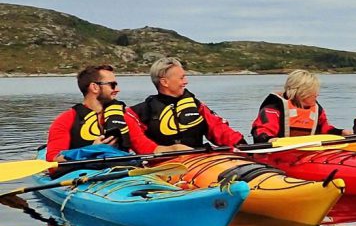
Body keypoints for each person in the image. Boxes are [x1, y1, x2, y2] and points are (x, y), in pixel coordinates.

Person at [45, 64, 181, 161]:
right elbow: (54, 159)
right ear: (94, 87)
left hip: (117, 173)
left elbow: (148, 149)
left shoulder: (123, 118)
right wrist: (91, 150)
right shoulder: (66, 120)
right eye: (112, 85)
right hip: (82, 176)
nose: (117, 90)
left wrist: (175, 149)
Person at [132, 57, 247, 148]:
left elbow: (219, 129)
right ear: (165, 82)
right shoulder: (141, 112)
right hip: (164, 164)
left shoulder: (196, 106)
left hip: (198, 161)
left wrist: (243, 145)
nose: (186, 82)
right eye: (181, 78)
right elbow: (137, 141)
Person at [250, 69, 353, 143]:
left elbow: (324, 129)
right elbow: (261, 130)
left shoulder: (317, 110)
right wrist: (269, 139)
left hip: (304, 153)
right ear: (302, 92)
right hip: (277, 155)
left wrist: (341, 132)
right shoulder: (274, 109)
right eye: (313, 92)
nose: (317, 95)